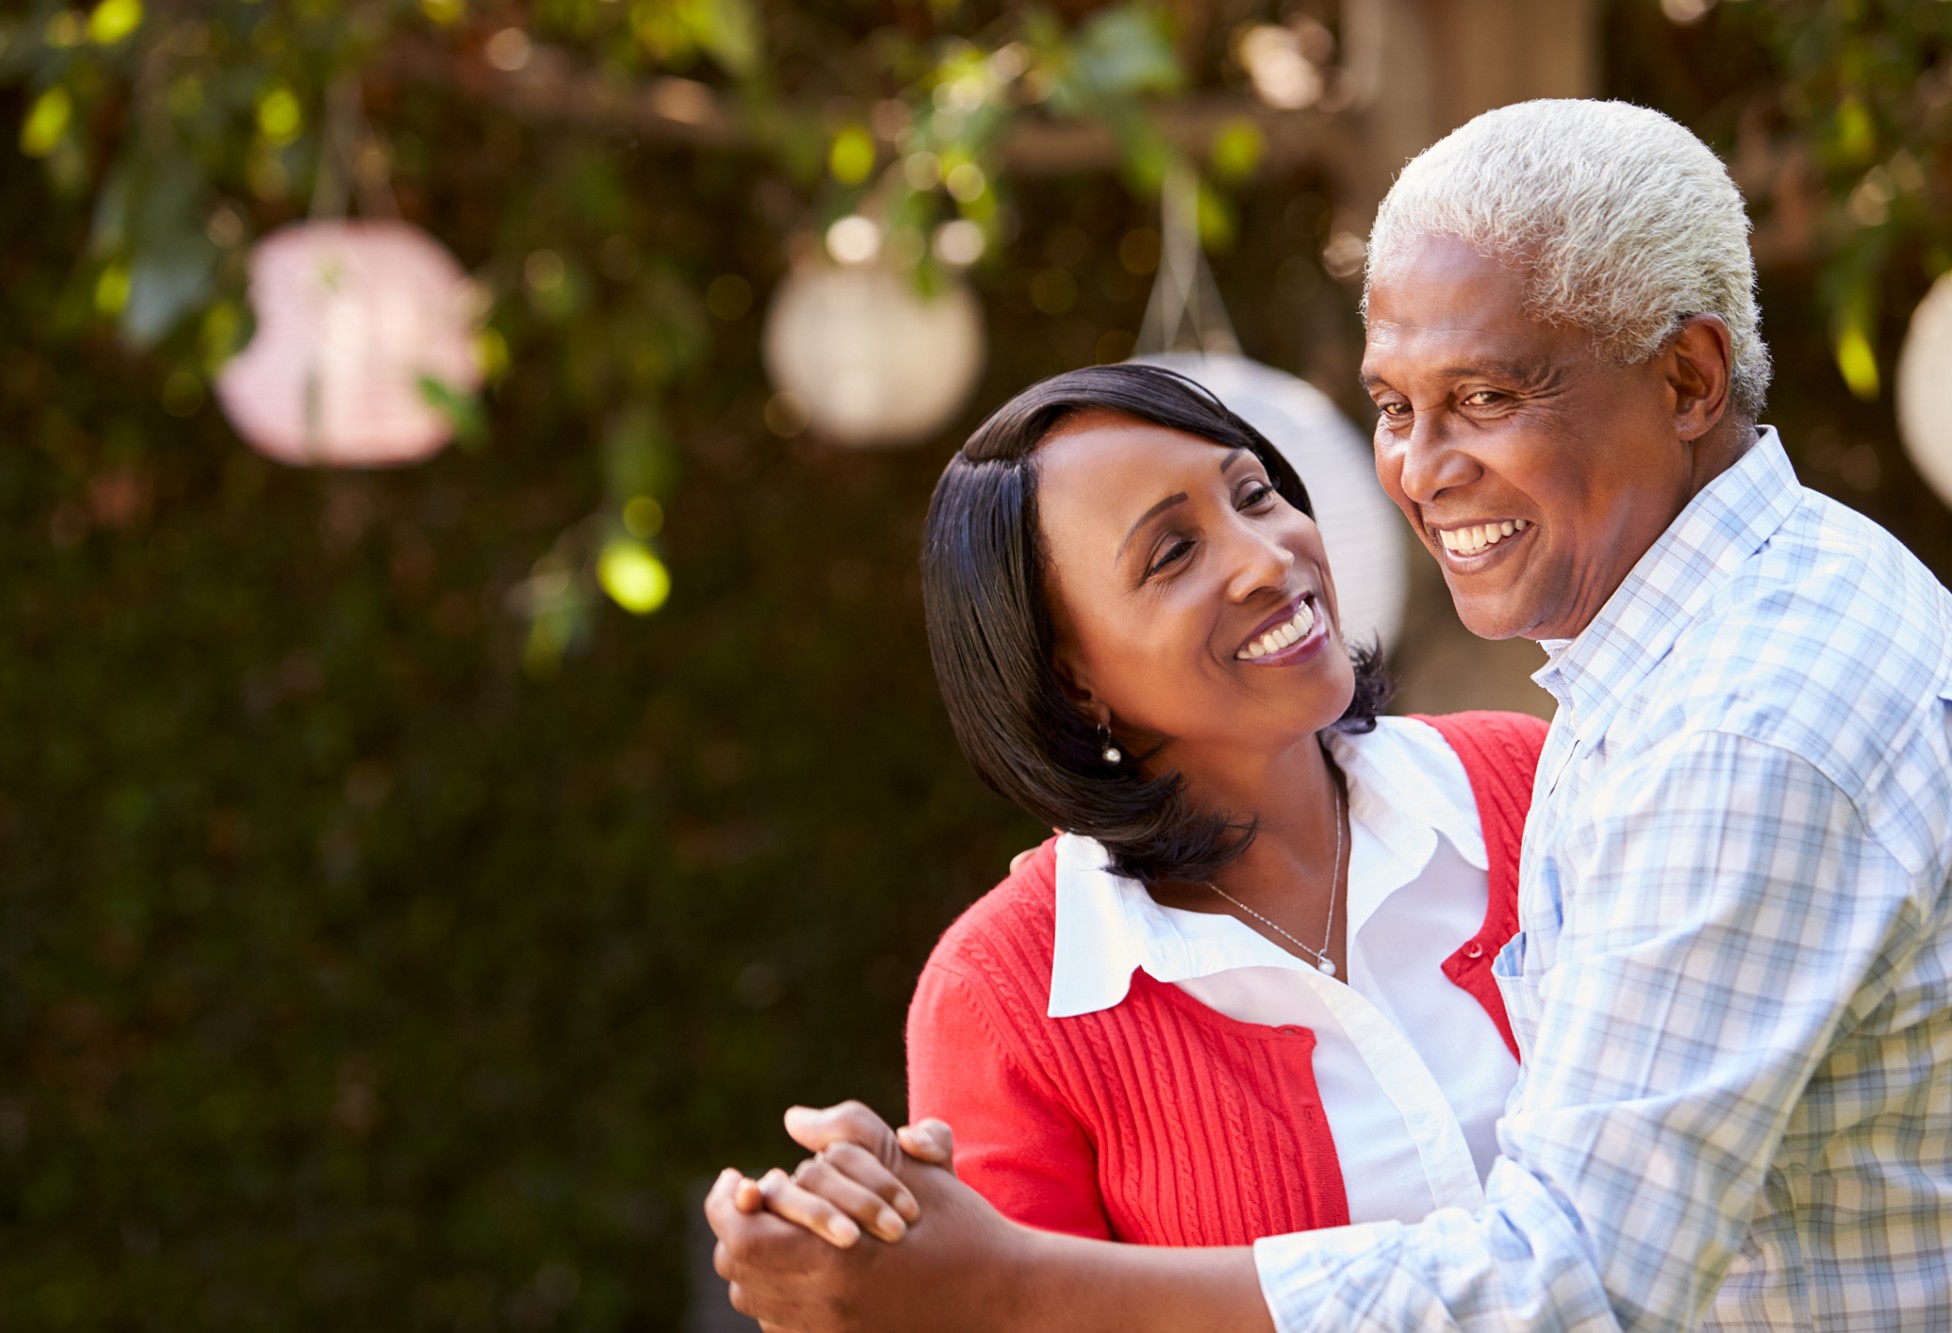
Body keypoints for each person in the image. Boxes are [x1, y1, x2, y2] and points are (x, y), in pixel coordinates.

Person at [707, 98, 1952, 1331]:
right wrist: (880, 1258)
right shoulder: (1011, 988)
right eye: (1397, 409)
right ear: (1065, 672)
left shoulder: (1682, 740)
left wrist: (1001, 1284)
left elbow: (1575, 1277)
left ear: (1686, 378)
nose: (1407, 471)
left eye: (1482, 397)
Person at [893, 363, 1546, 1250]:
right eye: (1172, 552)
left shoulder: (1532, 781)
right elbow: (1013, 1303)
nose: (1265, 558)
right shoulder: (1003, 1001)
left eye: (1254, 493)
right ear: (1067, 678)